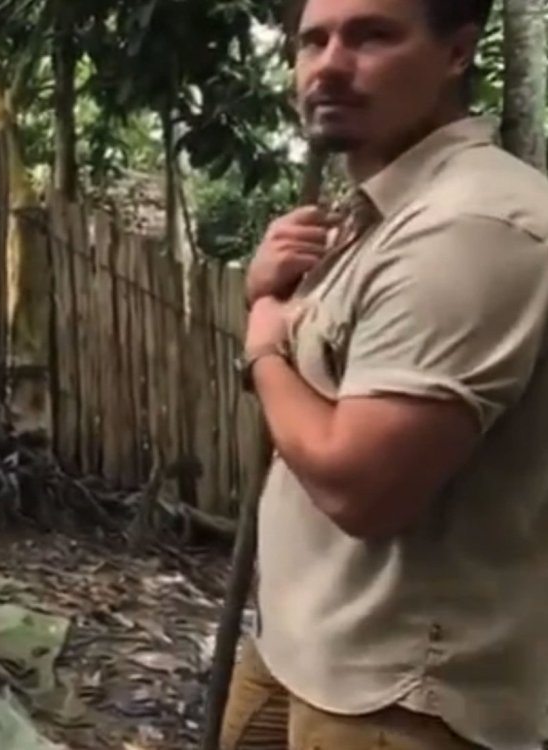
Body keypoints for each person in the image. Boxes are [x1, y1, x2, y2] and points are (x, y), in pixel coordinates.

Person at [222, 0, 548, 748]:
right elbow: (323, 388)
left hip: (394, 698)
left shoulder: (470, 226)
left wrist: (262, 345)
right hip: (307, 642)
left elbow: (359, 485)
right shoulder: (383, 214)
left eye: (372, 35)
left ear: (458, 52)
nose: (329, 63)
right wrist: (271, 296)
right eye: (313, 40)